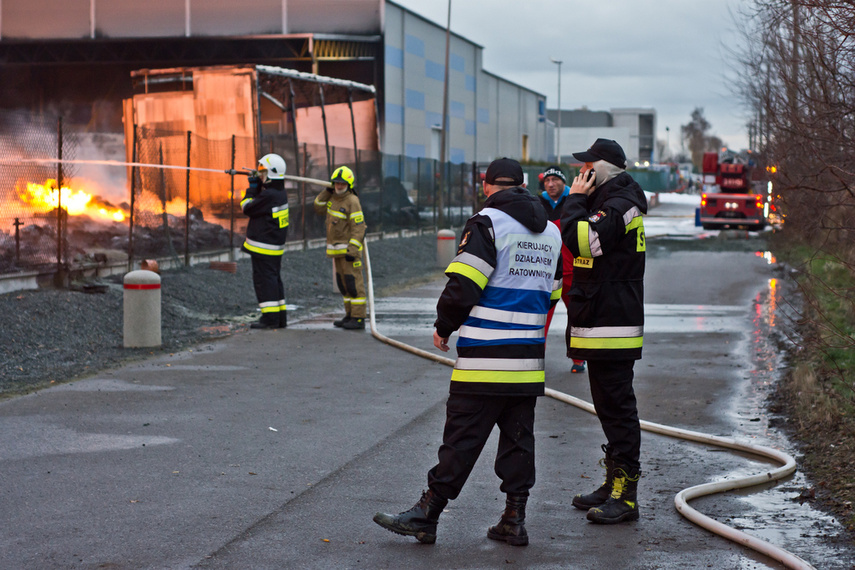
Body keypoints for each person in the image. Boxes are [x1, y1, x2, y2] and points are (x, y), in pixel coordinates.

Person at [373, 158, 562, 546]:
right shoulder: (552, 233)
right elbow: (553, 294)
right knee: (518, 440)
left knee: (461, 437)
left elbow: (464, 285)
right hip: (527, 361)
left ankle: (428, 512)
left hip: (485, 358)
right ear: (524, 186)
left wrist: (444, 326)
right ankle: (514, 518)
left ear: (488, 185)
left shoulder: (487, 223)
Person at [559, 138, 647, 524]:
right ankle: (612, 482)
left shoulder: (620, 201)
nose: (580, 173)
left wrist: (573, 201)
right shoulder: (609, 199)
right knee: (608, 409)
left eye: (586, 166)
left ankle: (625, 496)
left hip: (613, 322)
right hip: (599, 318)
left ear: (603, 167)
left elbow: (585, 241)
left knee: (618, 409)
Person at [537, 165, 587, 373]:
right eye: (547, 181)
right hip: (546, 273)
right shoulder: (538, 203)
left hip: (572, 272)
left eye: (554, 180)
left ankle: (578, 359)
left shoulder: (575, 200)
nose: (550, 184)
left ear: (563, 182)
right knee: (540, 318)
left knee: (576, 317)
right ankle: (536, 358)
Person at [313, 165, 367, 330]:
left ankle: (358, 318)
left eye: (342, 183)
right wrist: (327, 191)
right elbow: (317, 206)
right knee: (343, 285)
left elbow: (359, 227)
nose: (339, 186)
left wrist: (353, 249)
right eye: (336, 183)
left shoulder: (352, 201)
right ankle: (349, 315)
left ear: (349, 184)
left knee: (354, 284)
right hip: (337, 252)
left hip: (349, 252)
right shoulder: (333, 198)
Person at [240, 153, 289, 329]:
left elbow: (247, 207)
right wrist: (260, 183)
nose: (261, 175)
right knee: (274, 280)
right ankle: (280, 317)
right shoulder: (279, 192)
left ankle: (270, 319)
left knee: (264, 282)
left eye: (263, 172)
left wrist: (252, 187)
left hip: (264, 247)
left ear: (271, 174)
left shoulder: (268, 196)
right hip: (274, 246)